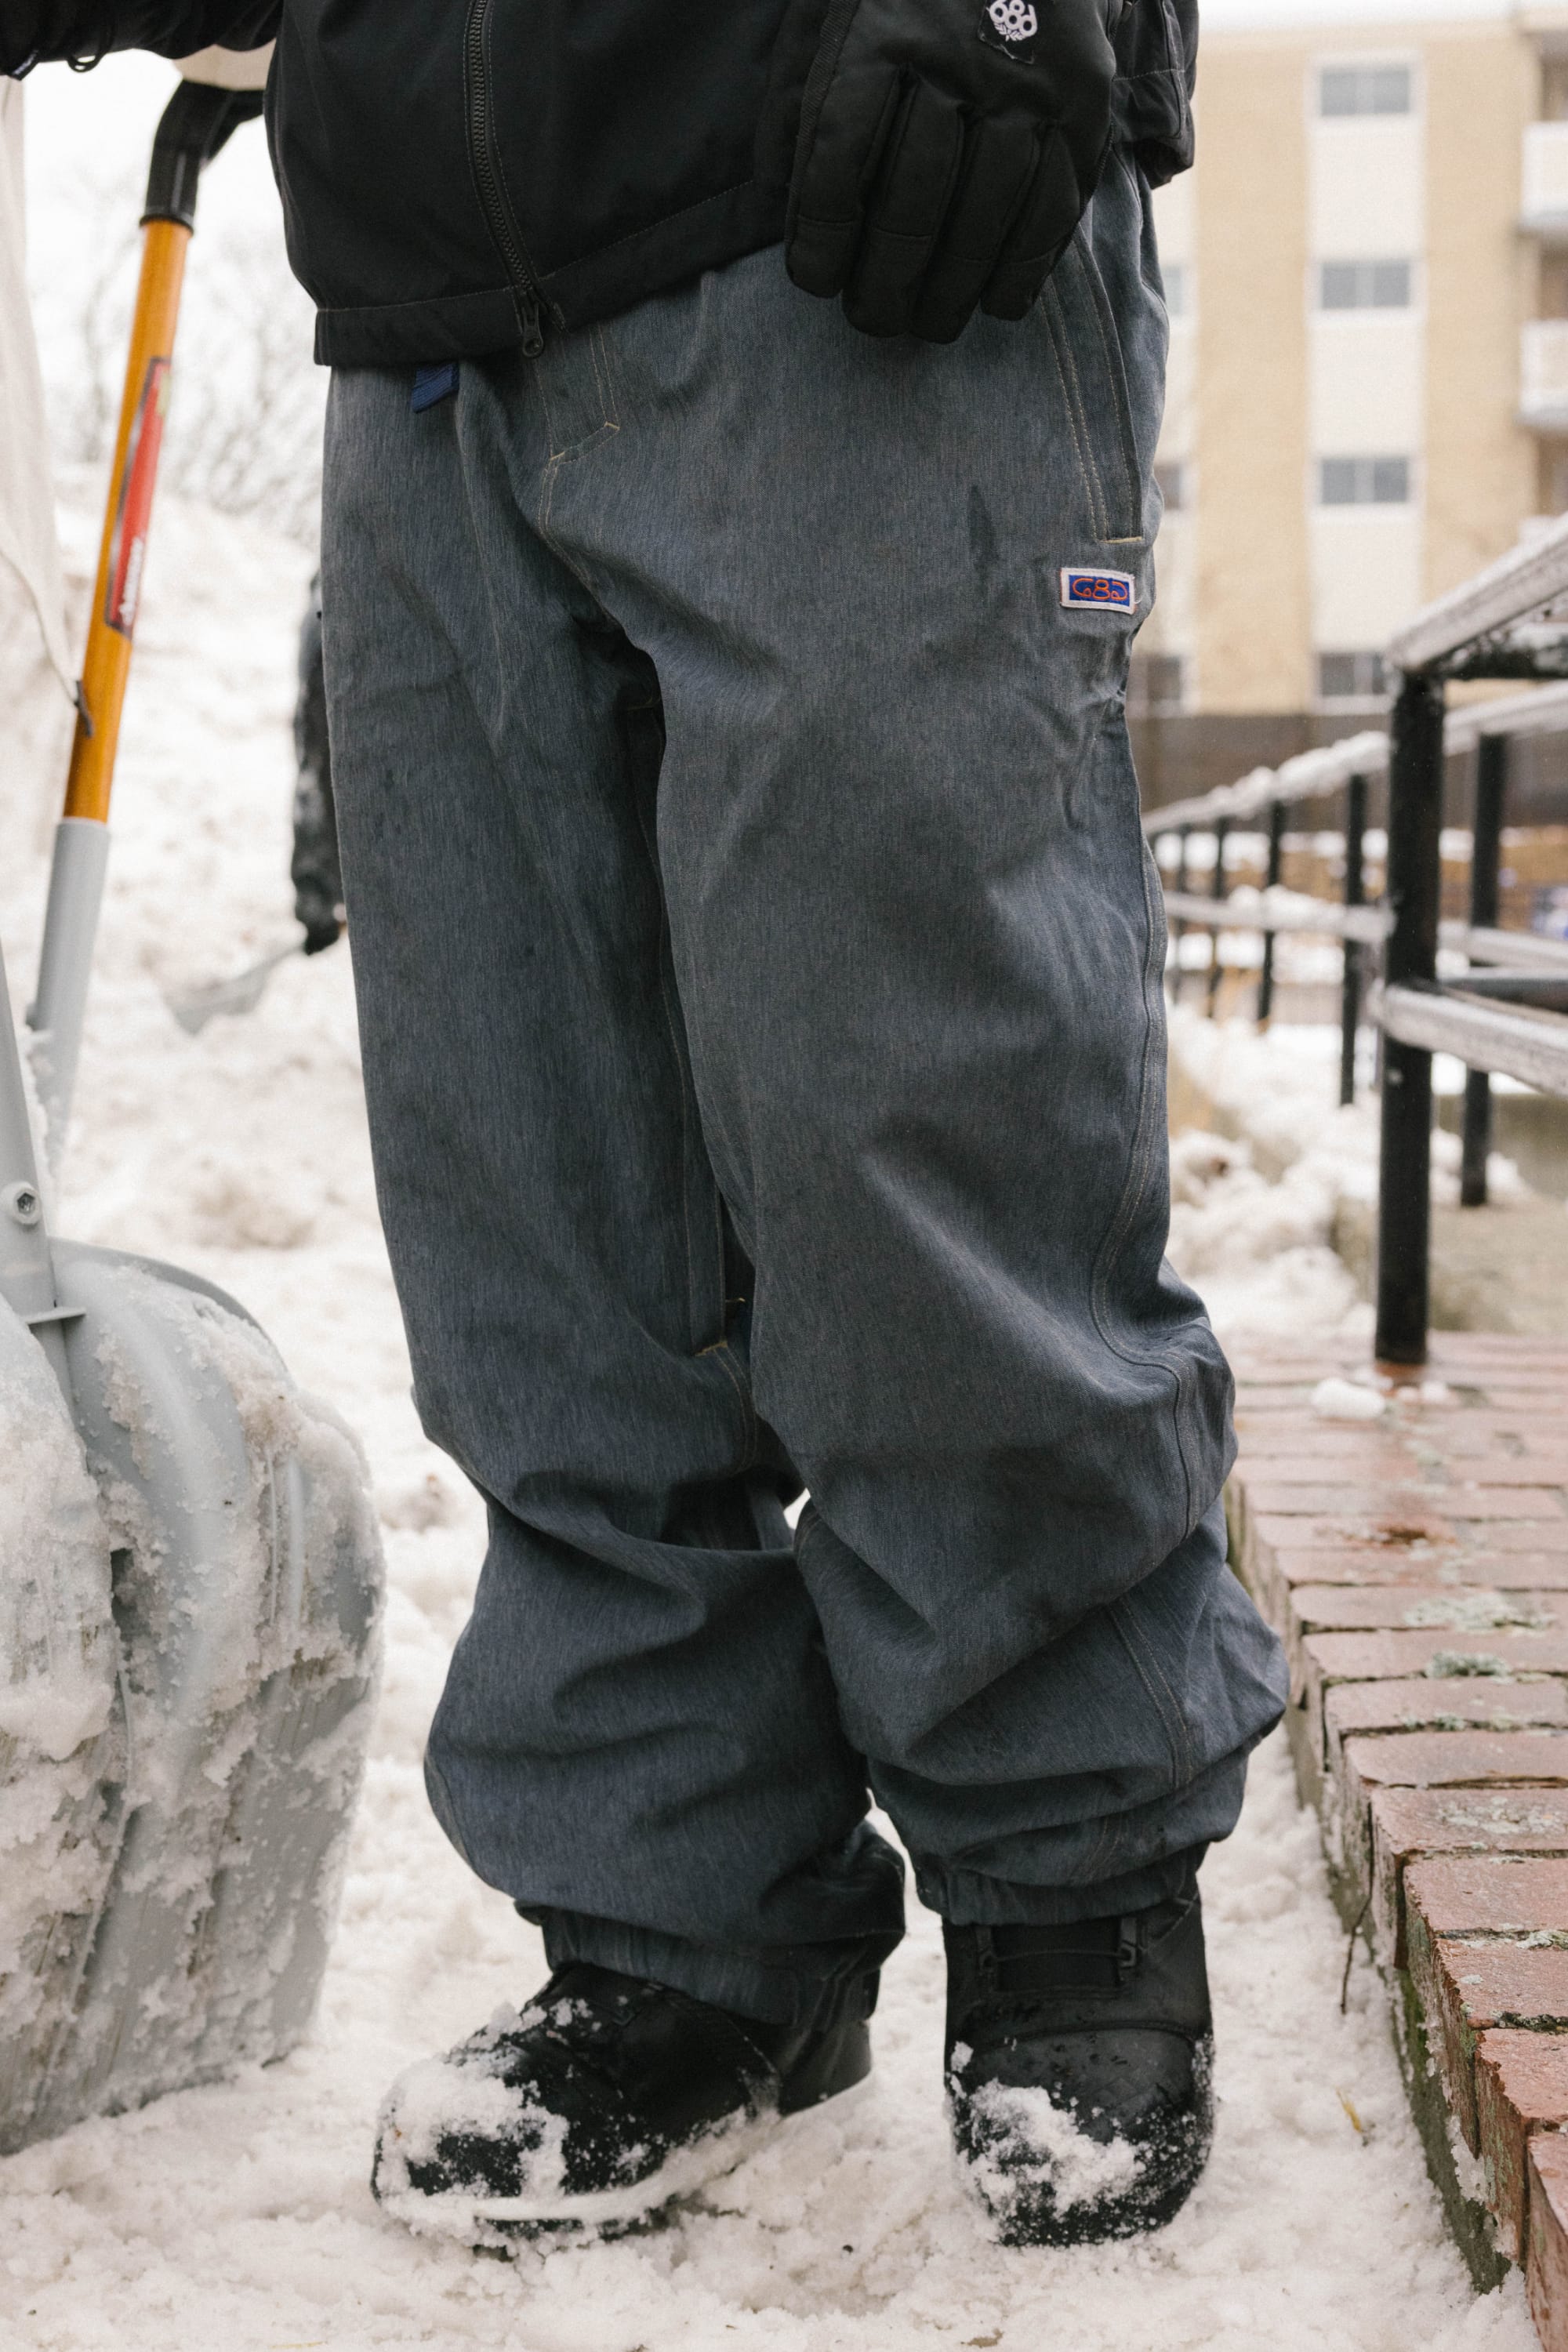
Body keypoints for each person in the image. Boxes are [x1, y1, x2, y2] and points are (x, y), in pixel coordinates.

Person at [6, 0, 1287, 2252]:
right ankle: (686, 1929)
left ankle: (1068, 1862)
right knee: (531, 1178)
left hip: (841, 175)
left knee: (914, 1099)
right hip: (425, 269)